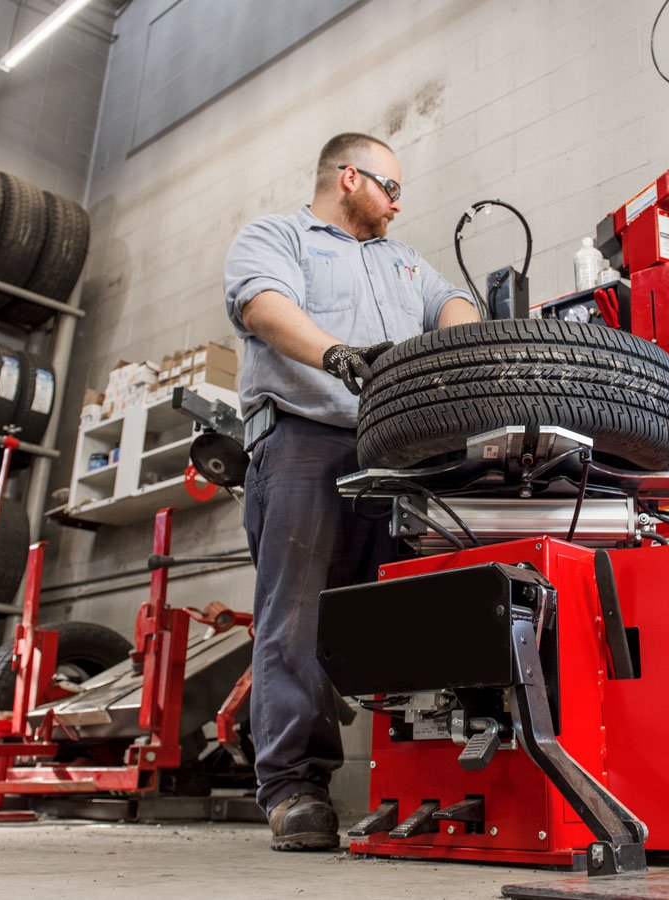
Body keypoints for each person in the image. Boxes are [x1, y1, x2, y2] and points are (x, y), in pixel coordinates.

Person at [223, 132, 479, 851]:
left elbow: (451, 303)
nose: (400, 204)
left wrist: (456, 348)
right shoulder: (278, 237)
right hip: (306, 440)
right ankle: (294, 790)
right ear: (349, 177)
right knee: (296, 617)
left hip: (398, 452)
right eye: (390, 188)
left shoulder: (403, 261)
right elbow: (263, 307)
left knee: (417, 612)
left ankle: (427, 778)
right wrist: (337, 354)